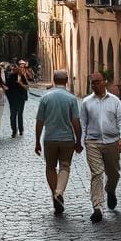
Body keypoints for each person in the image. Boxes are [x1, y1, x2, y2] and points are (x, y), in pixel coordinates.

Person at [79, 71, 121, 222]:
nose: (95, 85)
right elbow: (83, 124)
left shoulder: (114, 101)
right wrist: (82, 142)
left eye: (97, 82)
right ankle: (98, 207)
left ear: (104, 82)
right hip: (93, 142)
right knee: (97, 173)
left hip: (112, 142)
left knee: (114, 174)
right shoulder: (87, 102)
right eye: (92, 82)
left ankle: (110, 190)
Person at [34, 69, 83, 216]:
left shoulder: (45, 98)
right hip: (67, 139)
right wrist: (78, 140)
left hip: (50, 138)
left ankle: (55, 194)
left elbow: (39, 121)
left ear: (54, 80)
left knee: (50, 167)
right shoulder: (71, 99)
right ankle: (59, 191)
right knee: (65, 166)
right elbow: (76, 122)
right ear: (67, 80)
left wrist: (37, 141)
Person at [5, 60, 30, 137]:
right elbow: (7, 89)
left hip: (21, 99)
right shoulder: (10, 77)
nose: (14, 70)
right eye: (13, 69)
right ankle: (14, 131)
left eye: (16, 68)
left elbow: (27, 87)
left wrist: (20, 83)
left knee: (19, 114)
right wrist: (9, 99)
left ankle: (21, 130)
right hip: (13, 100)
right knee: (13, 115)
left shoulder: (22, 77)